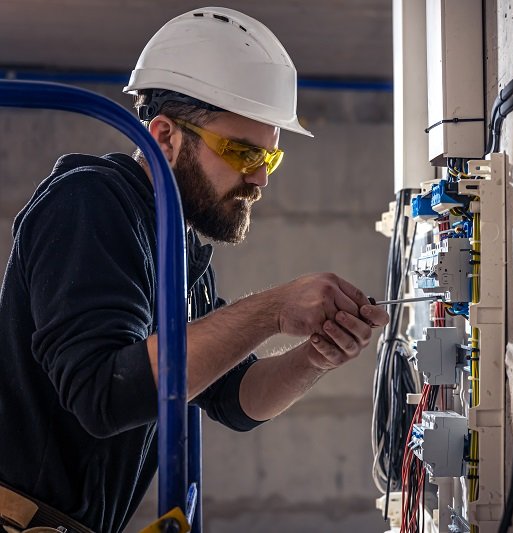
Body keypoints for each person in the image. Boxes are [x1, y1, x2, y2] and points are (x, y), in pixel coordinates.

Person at [0, 7, 389, 533]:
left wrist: (316, 354)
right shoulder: (89, 204)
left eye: (269, 159)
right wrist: (274, 308)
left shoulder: (176, 244)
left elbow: (236, 398)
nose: (259, 179)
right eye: (242, 152)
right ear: (164, 137)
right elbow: (104, 393)